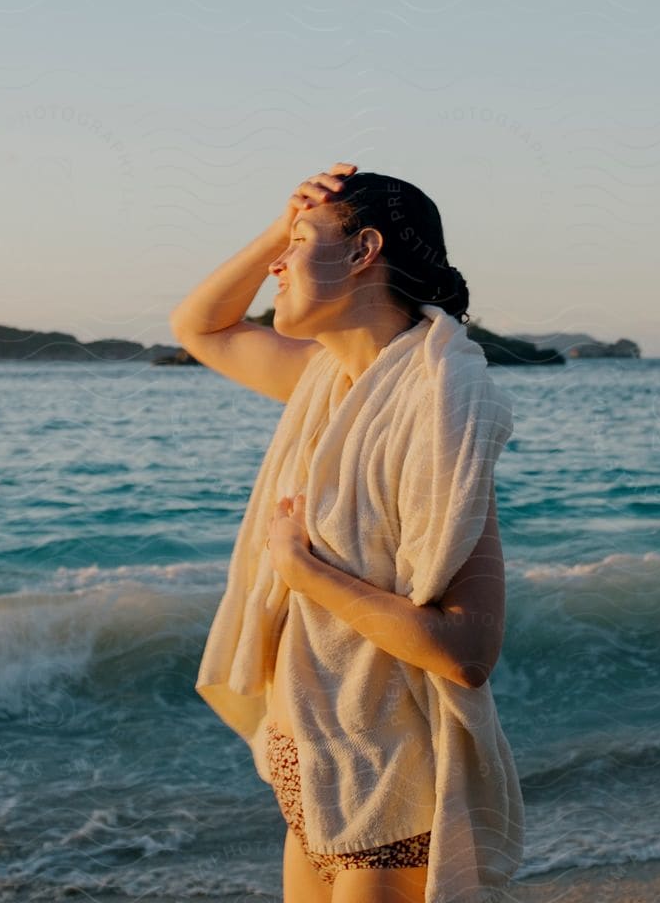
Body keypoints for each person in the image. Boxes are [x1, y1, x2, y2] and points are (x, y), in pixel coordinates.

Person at [174, 164, 521, 903]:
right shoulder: (326, 380)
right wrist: (284, 221)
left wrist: (304, 572)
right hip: (314, 770)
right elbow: (198, 326)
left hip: (391, 787)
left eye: (300, 243)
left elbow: (467, 651)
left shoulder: (441, 406)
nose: (276, 263)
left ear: (363, 251)